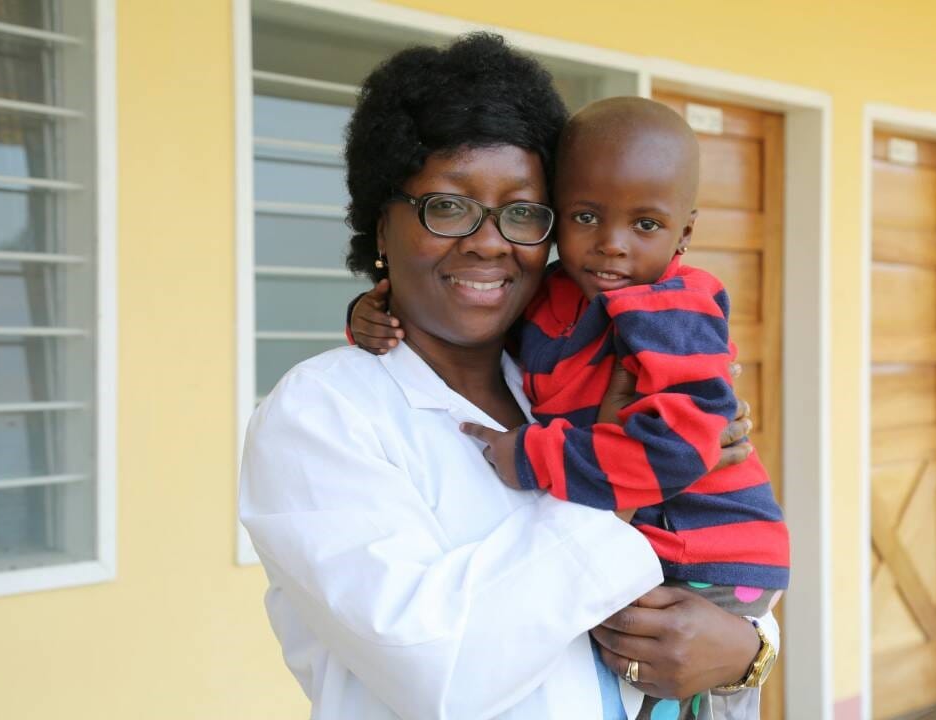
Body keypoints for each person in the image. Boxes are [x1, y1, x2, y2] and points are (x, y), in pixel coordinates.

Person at [240, 33, 776, 720]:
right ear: (380, 224)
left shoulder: (574, 368)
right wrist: (616, 477)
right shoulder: (321, 417)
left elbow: (714, 548)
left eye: (522, 212)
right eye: (448, 205)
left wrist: (747, 651)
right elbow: (439, 671)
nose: (490, 241)